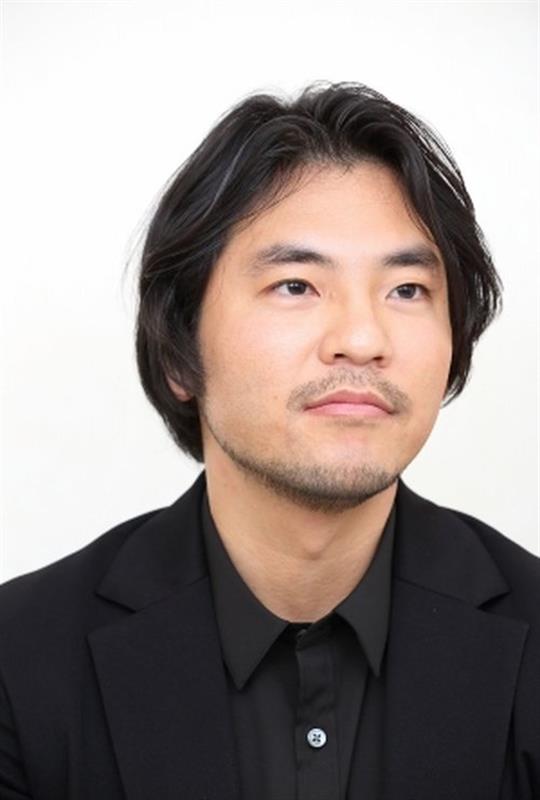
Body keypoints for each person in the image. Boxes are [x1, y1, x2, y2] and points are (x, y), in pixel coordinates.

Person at [0, 82, 538, 800]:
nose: (362, 338)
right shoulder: (21, 663)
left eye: (407, 290)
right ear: (180, 352)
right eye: (296, 286)